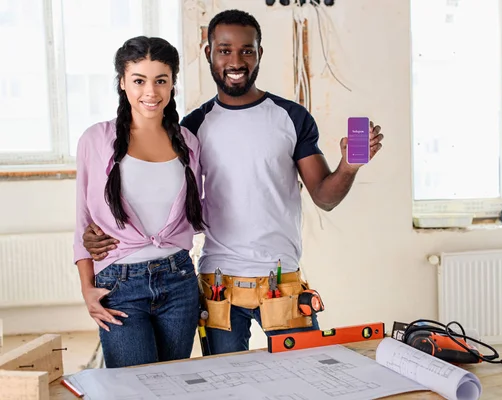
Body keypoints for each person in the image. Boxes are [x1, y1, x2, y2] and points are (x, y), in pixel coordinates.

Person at [81, 9, 384, 356]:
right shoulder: (192, 129)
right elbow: (159, 195)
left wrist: (349, 166)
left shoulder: (291, 117)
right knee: (225, 384)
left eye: (247, 50)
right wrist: (101, 232)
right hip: (218, 284)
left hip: (281, 280)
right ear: (209, 53)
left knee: (305, 373)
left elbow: (325, 197)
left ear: (259, 54)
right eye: (225, 50)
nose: (236, 60)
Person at [73, 36, 205, 368]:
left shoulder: (188, 142)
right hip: (119, 285)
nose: (151, 91)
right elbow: (82, 221)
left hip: (179, 281)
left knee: (174, 384)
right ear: (122, 82)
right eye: (139, 80)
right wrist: (87, 289)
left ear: (173, 83)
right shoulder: (96, 139)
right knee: (134, 387)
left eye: (161, 80)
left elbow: (201, 210)